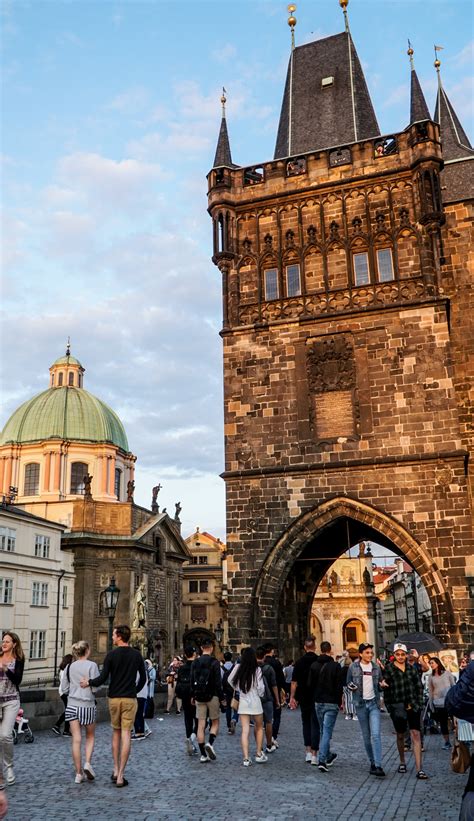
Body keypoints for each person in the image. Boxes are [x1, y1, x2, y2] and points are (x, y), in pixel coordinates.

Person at [81, 624, 146, 788]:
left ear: (119, 636)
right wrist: (134, 691)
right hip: (129, 698)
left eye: (114, 635)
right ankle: (121, 776)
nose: (112, 637)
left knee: (116, 732)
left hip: (114, 698)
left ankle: (116, 769)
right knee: (126, 734)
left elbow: (102, 678)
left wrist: (88, 682)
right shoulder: (137, 655)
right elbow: (144, 679)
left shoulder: (111, 655)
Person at [382, 642, 428, 780]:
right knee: (401, 735)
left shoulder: (412, 668)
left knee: (416, 734)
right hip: (398, 706)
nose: (401, 657)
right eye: (398, 654)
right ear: (394, 655)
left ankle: (419, 769)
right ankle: (402, 761)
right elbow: (386, 689)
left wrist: (419, 703)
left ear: (406, 655)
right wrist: (390, 707)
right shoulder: (389, 668)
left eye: (403, 654)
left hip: (413, 704)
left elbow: (419, 686)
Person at [62, 641, 100, 783]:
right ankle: (87, 763)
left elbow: (64, 688)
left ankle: (78, 774)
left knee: (76, 739)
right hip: (87, 705)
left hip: (72, 705)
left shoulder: (69, 666)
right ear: (88, 651)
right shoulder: (92, 666)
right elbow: (96, 687)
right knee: (89, 737)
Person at [346, 643, 385, 777]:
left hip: (374, 703)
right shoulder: (353, 667)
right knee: (366, 737)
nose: (370, 655)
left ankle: (379, 765)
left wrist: (382, 685)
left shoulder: (376, 667)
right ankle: (372, 762)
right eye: (367, 653)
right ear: (361, 654)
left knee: (376, 735)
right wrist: (352, 687)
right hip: (360, 704)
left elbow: (380, 684)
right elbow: (348, 682)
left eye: (371, 653)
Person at [228, 647, 267, 767]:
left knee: (245, 730)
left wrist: (238, 689)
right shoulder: (257, 670)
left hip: (244, 701)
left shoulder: (238, 668)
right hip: (255, 701)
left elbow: (230, 680)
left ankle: (246, 758)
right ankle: (258, 753)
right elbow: (261, 688)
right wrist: (260, 694)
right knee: (259, 727)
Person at [308, 640, 343, 773]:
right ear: (330, 650)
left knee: (323, 730)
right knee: (327, 731)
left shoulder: (314, 665)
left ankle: (327, 755)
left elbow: (310, 685)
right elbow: (339, 686)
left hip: (318, 702)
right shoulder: (335, 666)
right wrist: (340, 701)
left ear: (320, 650)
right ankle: (322, 760)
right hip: (331, 702)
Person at [190, 638, 225, 762]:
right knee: (215, 722)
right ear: (211, 648)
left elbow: (192, 681)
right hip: (213, 695)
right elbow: (217, 682)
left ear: (201, 648)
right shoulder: (215, 662)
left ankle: (203, 755)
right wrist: (222, 698)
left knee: (200, 725)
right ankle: (210, 743)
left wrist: (193, 695)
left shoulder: (195, 662)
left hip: (199, 696)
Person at [290, 636, 320, 764]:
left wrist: (292, 697)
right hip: (317, 697)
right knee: (316, 724)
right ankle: (314, 754)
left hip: (303, 697)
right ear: (315, 647)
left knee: (306, 723)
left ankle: (307, 751)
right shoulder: (319, 661)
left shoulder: (299, 662)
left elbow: (294, 682)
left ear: (304, 647)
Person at [0, 631, 25, 786]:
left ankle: (9, 767)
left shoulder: (19, 659)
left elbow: (18, 679)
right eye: (3, 641)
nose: (4, 643)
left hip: (11, 700)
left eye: (7, 641)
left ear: (14, 644)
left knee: (5, 735)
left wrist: (5, 669)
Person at [428, 657, 456, 750]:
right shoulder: (431, 677)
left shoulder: (447, 673)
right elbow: (431, 691)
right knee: (443, 723)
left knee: (455, 722)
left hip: (449, 701)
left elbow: (453, 686)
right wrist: (431, 703)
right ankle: (447, 742)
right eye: (430, 663)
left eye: (432, 663)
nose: (431, 665)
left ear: (437, 663)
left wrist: (455, 699)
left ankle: (458, 741)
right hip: (438, 703)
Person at [256, 646, 279, 754]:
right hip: (268, 698)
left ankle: (259, 746)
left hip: (255, 698)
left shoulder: (252, 668)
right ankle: (269, 745)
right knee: (268, 722)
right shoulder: (269, 668)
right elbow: (274, 685)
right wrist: (277, 700)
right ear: (264, 656)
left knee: (257, 724)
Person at [176, 645, 198, 755]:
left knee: (188, 719)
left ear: (185, 655)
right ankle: (192, 739)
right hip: (195, 696)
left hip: (185, 696)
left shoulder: (182, 668)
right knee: (200, 721)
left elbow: (178, 681)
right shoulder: (197, 666)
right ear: (194, 654)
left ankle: (189, 739)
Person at [263, 644, 286, 746]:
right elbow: (280, 679)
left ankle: (268, 736)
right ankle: (273, 736)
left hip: (262, 693)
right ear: (271, 651)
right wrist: (283, 691)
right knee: (277, 716)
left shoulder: (261, 663)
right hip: (274, 692)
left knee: (266, 717)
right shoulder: (276, 663)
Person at [52, 653, 73, 737]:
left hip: (62, 691)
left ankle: (64, 729)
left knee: (69, 710)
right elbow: (65, 682)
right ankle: (59, 727)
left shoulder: (62, 669)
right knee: (69, 710)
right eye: (72, 660)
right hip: (65, 692)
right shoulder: (67, 668)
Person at [221, 651, 238, 735]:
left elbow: (221, 680)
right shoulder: (235, 667)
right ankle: (234, 719)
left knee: (228, 708)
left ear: (224, 658)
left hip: (226, 691)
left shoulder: (221, 668)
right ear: (231, 658)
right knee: (236, 708)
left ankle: (229, 726)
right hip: (235, 690)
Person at [340, 651, 357, 721]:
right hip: (350, 685)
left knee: (346, 700)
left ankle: (348, 715)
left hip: (344, 686)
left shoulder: (342, 669)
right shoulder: (351, 669)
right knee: (352, 700)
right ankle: (354, 715)